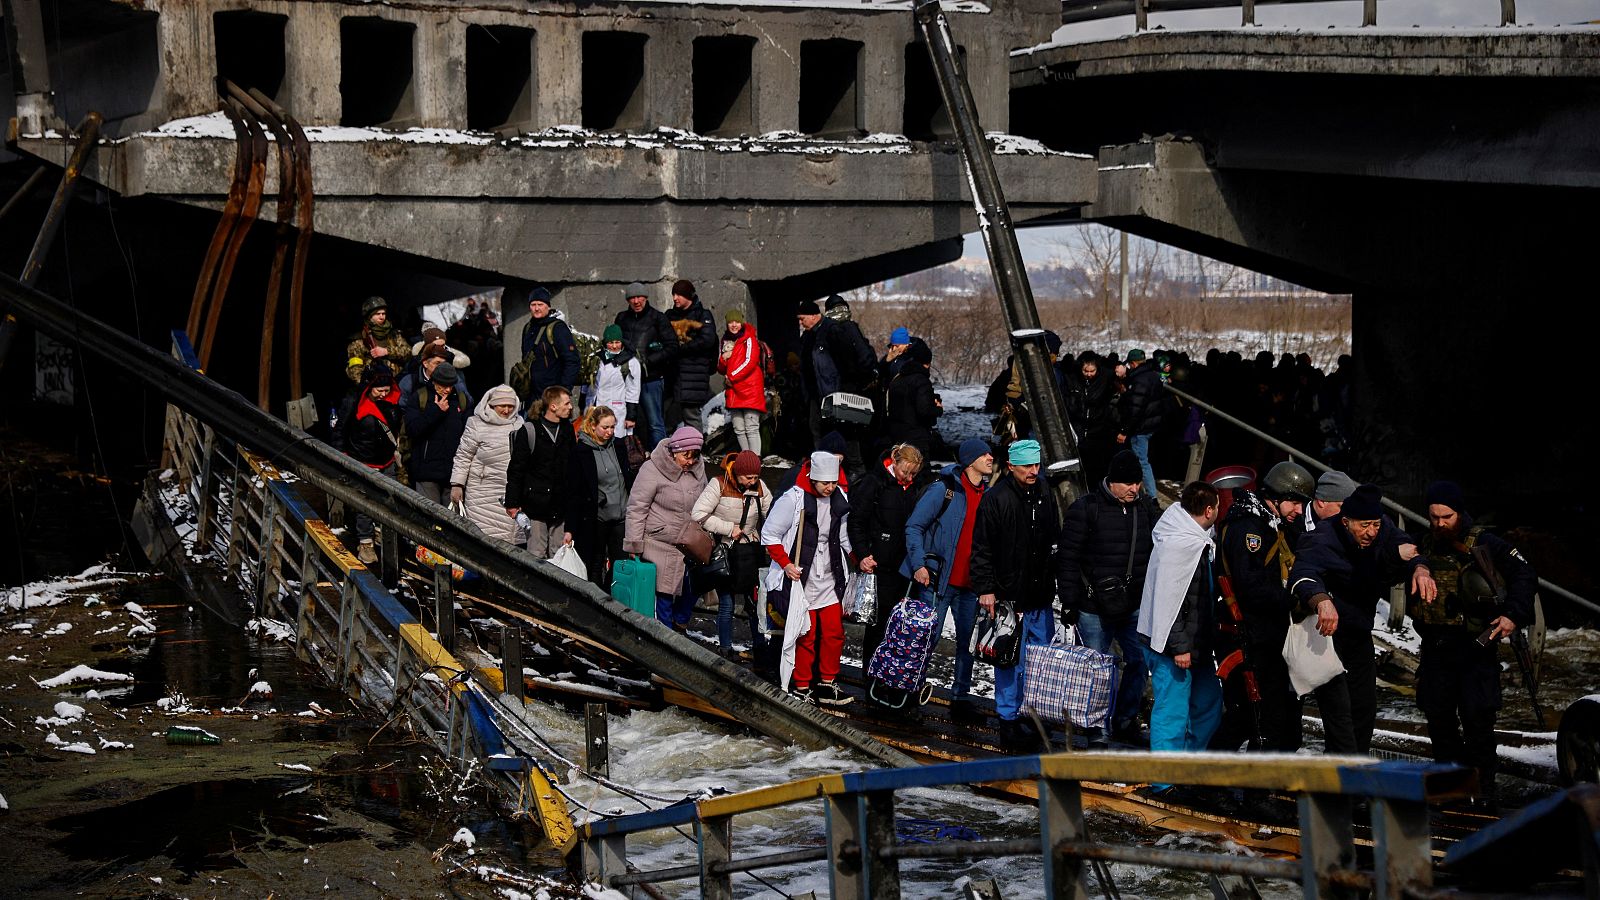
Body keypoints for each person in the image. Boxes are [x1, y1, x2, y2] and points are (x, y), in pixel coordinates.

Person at [1288, 483, 1436, 754]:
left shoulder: (1381, 530)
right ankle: (1340, 787)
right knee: (1340, 718)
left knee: (1364, 711)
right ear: (1346, 521)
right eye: (1364, 525)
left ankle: (1353, 780)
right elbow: (1302, 575)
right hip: (1328, 637)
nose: (1371, 532)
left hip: (1358, 633)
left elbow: (1404, 546)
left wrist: (1420, 568)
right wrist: (1321, 600)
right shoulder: (1322, 537)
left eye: (1376, 525)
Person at [1414, 480, 1536, 802]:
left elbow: (1525, 575)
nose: (1440, 523)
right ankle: (1450, 792)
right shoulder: (1423, 544)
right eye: (1434, 516)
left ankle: (1483, 793)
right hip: (1436, 649)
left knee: (1478, 723)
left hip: (1475, 649)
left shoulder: (1484, 542)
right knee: (1439, 724)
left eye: (1447, 516)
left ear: (1460, 512)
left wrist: (1512, 615)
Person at [1210, 460, 1316, 753]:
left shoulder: (1272, 524)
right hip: (1245, 637)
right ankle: (1207, 784)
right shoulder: (1249, 528)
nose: (1298, 510)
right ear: (1276, 496)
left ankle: (1255, 791)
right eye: (1294, 502)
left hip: (1265, 636)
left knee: (1269, 718)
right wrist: (1294, 600)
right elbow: (1250, 586)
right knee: (1246, 717)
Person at [1057, 449, 1157, 744]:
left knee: (1139, 660)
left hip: (1134, 603)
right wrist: (1069, 601)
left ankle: (1124, 719)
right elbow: (1068, 558)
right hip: (1093, 606)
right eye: (1127, 483)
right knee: (1097, 667)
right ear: (1112, 482)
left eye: (1137, 483)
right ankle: (1096, 726)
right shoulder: (1086, 508)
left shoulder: (1145, 509)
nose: (1134, 488)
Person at [970, 439, 1060, 751]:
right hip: (1009, 594)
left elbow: (1052, 537)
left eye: (1037, 465)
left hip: (1039, 593)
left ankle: (1031, 714)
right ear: (1012, 466)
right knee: (1008, 660)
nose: (1034, 471)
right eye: (1027, 466)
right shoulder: (996, 498)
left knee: (1039, 660)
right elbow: (981, 547)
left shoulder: (1044, 492)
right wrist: (986, 589)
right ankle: (1008, 719)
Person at [902, 437, 993, 722]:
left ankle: (961, 698)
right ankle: (910, 693)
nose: (990, 457)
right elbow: (914, 526)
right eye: (984, 454)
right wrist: (919, 565)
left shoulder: (987, 495)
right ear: (970, 461)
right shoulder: (945, 490)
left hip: (970, 586)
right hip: (937, 580)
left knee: (967, 644)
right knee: (927, 638)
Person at [1137, 482, 1223, 777]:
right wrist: (1180, 647)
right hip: (1174, 647)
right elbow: (1168, 601)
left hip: (1197, 641)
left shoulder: (1197, 538)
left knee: (1209, 702)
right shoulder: (1179, 544)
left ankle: (1189, 764)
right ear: (1209, 510)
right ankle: (1165, 779)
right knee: (1171, 711)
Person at [761, 450, 854, 706]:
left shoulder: (839, 498)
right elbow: (769, 535)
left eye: (833, 482)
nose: (830, 487)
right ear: (813, 478)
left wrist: (858, 556)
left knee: (834, 631)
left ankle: (827, 682)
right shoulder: (793, 499)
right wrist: (786, 564)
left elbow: (843, 536)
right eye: (825, 483)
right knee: (806, 633)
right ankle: (802, 685)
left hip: (829, 572)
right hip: (801, 576)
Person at [847, 442, 931, 668]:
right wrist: (862, 553)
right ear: (894, 462)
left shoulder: (915, 486)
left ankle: (891, 673)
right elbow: (856, 521)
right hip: (879, 563)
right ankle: (871, 672)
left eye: (913, 473)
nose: (908, 477)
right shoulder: (874, 483)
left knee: (900, 624)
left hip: (904, 565)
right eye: (905, 472)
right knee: (878, 624)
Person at [623, 426, 709, 629]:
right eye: (686, 456)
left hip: (690, 543)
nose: (690, 462)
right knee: (664, 595)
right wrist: (634, 545)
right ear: (675, 451)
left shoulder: (698, 468)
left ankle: (678, 624)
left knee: (692, 588)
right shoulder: (652, 469)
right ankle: (666, 640)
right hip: (659, 542)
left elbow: (706, 501)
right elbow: (637, 508)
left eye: (694, 457)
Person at [693, 450, 773, 658]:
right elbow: (698, 513)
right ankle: (725, 647)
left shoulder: (760, 487)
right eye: (748, 477)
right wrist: (728, 528)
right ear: (737, 473)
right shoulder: (718, 484)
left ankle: (760, 646)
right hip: (727, 552)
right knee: (727, 603)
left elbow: (772, 514)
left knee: (755, 604)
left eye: (756, 477)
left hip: (751, 551)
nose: (752, 481)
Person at [796, 297, 876, 468]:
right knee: (817, 429)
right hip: (817, 393)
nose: (801, 323)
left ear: (813, 315)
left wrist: (847, 388)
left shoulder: (832, 332)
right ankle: (822, 466)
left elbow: (848, 363)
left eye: (802, 319)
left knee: (845, 431)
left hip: (835, 392)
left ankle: (854, 467)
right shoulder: (811, 336)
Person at [566, 405, 634, 590]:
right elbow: (574, 492)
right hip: (596, 517)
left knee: (620, 562)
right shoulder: (582, 451)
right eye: (605, 427)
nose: (610, 432)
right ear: (593, 425)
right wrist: (570, 528)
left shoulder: (618, 446)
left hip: (621, 515)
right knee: (594, 564)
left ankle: (613, 598)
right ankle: (597, 601)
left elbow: (627, 478)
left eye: (613, 427)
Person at [504, 386, 576, 560]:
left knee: (560, 556)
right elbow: (516, 469)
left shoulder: (567, 430)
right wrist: (512, 504)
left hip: (560, 505)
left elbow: (572, 469)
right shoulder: (530, 430)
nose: (571, 407)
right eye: (566, 403)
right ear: (553, 406)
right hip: (535, 504)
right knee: (536, 555)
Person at [344, 361, 403, 564]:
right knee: (364, 502)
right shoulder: (353, 402)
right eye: (379, 390)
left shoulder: (393, 404)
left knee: (388, 500)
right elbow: (340, 431)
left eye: (387, 390)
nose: (383, 394)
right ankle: (365, 542)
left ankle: (380, 532)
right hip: (362, 461)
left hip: (386, 461)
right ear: (369, 386)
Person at [449, 385, 524, 545]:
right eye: (502, 406)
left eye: (510, 406)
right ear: (491, 405)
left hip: (510, 490)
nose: (506, 410)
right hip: (482, 492)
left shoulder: (520, 424)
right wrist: (457, 484)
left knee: (509, 542)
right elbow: (463, 455)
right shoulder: (476, 424)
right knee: (482, 541)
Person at [614, 282, 678, 447]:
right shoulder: (621, 318)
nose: (636, 301)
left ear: (646, 297)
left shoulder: (658, 318)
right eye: (632, 298)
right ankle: (633, 457)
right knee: (627, 420)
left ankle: (660, 457)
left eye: (639, 297)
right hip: (626, 379)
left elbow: (672, 347)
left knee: (655, 421)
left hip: (651, 379)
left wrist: (648, 361)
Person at [402, 361, 470, 505]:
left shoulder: (461, 400)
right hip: (426, 472)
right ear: (434, 381)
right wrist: (435, 411)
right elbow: (412, 430)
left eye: (450, 386)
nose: (447, 390)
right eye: (443, 386)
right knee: (430, 520)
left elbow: (468, 435)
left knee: (452, 521)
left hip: (453, 472)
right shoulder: (420, 397)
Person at [666, 279, 716, 431]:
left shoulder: (702, 315)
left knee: (691, 415)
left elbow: (707, 340)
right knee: (667, 415)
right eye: (673, 294)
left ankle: (695, 451)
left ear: (688, 296)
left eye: (679, 294)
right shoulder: (669, 315)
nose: (675, 298)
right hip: (672, 375)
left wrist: (680, 348)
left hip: (693, 375)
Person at [516, 286, 580, 405]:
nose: (536, 308)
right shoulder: (528, 328)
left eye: (540, 304)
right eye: (533, 304)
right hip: (531, 397)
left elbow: (572, 361)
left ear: (548, 306)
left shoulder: (557, 328)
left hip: (552, 396)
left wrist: (563, 391)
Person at [1115, 348, 1164, 500]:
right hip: (1151, 423)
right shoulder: (1152, 376)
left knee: (1142, 461)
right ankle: (1145, 491)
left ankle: (1151, 496)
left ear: (1134, 364)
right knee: (1142, 459)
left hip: (1141, 427)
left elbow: (1135, 408)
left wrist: (1124, 430)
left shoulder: (1139, 380)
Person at [718, 308, 767, 454]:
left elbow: (749, 362)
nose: (734, 325)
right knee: (738, 428)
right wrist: (723, 358)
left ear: (742, 322)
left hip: (749, 390)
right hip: (733, 391)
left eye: (737, 322)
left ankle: (755, 459)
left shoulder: (749, 339)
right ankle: (746, 457)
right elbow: (720, 368)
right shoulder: (725, 341)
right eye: (731, 322)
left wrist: (731, 377)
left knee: (751, 427)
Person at [1064, 351, 1115, 485]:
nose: (1089, 374)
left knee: (1098, 468)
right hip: (1079, 430)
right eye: (1086, 371)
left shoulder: (1105, 378)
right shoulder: (1073, 378)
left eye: (1092, 371)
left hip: (1098, 431)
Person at [882, 339, 940, 456]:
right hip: (916, 437)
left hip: (896, 435)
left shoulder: (897, 379)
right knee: (920, 469)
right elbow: (924, 410)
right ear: (927, 363)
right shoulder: (922, 381)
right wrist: (937, 408)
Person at [345, 296, 412, 386]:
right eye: (377, 314)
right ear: (370, 316)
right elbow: (355, 368)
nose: (382, 317)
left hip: (397, 382)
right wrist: (368, 386)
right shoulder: (359, 340)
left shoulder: (393, 334)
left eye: (383, 313)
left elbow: (408, 352)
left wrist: (387, 351)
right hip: (374, 386)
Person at [591, 324, 642, 439]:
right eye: (610, 342)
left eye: (617, 342)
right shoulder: (597, 359)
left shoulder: (630, 362)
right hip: (597, 407)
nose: (614, 346)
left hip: (618, 409)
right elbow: (589, 385)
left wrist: (631, 416)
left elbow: (633, 390)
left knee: (617, 440)